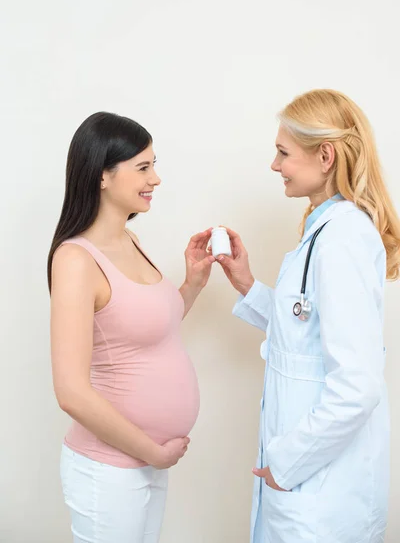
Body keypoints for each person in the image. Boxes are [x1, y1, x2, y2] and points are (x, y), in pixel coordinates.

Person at [216, 89, 400, 543]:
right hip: (308, 492)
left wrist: (287, 463)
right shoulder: (325, 230)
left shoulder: (342, 240)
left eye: (282, 152)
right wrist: (248, 285)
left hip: (320, 498)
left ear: (325, 155)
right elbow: (305, 331)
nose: (274, 165)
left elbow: (357, 387)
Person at [48, 111, 215, 543]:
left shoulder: (131, 241)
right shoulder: (75, 261)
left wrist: (192, 284)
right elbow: (71, 392)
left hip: (143, 463)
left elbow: (148, 331)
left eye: (154, 165)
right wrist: (153, 452)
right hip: (108, 469)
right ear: (102, 176)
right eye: (143, 167)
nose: (155, 179)